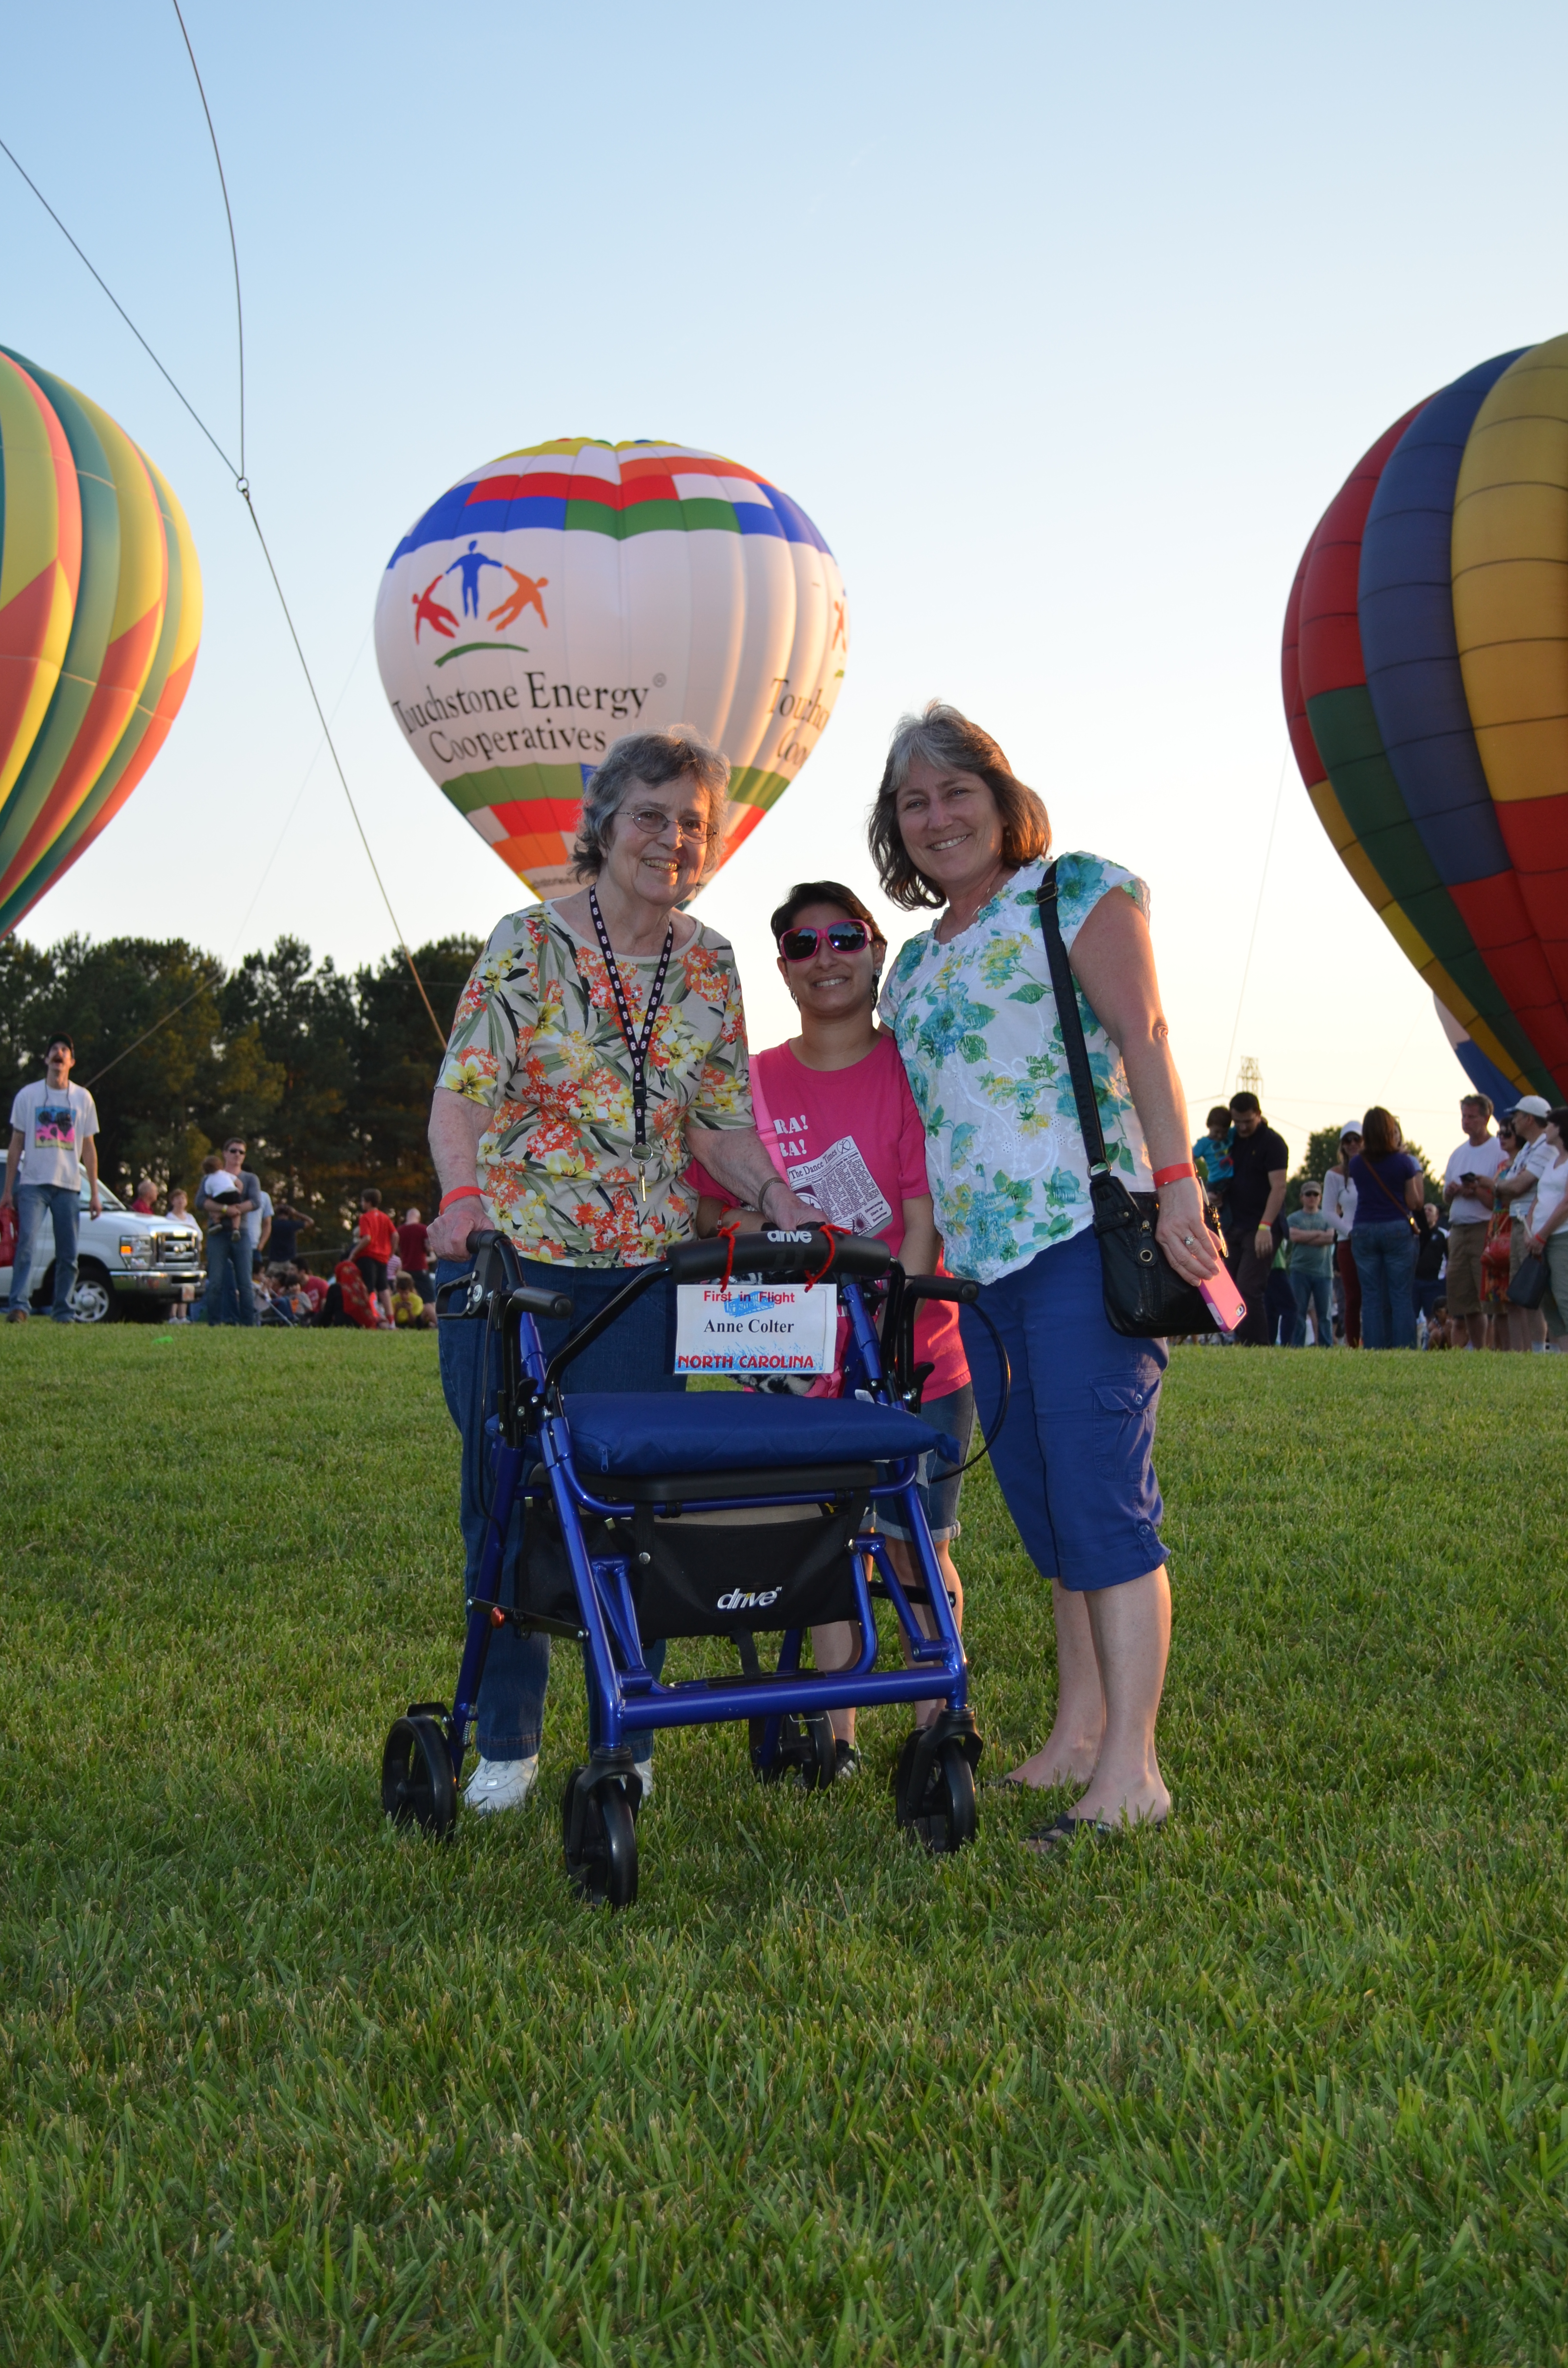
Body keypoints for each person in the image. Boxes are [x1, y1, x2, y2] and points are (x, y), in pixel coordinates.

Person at [424, 725, 818, 1817]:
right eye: (652, 816)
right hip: (516, 1271)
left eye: (694, 822)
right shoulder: (526, 943)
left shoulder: (711, 962)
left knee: (630, 1505)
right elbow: (461, 1095)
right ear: (602, 827)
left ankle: (624, 1731)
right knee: (506, 1500)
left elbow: (720, 1128)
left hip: (644, 1281)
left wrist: (777, 1194)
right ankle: (505, 1740)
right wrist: (462, 1199)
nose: (674, 839)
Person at [872, 702, 1221, 1845]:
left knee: (1105, 1504)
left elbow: (1146, 1036)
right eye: (912, 803)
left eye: (954, 791)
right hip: (981, 1270)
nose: (936, 817)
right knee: (1049, 1511)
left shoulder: (1074, 889)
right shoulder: (914, 968)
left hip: (1081, 1234)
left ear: (1000, 798)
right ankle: (1076, 1735)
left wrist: (1177, 1181)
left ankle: (1134, 1769)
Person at [686, 878, 972, 1774]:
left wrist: (901, 1321)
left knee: (915, 1543)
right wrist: (759, 1228)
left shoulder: (909, 1070)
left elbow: (921, 1219)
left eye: (844, 938)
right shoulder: (755, 1081)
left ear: (876, 949)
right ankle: (833, 1729)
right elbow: (705, 1216)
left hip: (914, 1353)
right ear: (781, 967)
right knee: (818, 1544)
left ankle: (937, 1719)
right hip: (787, 1356)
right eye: (802, 946)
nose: (825, 959)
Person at [2, 1031, 101, 1323]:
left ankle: (63, 1310)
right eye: (54, 1050)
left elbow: (89, 1148)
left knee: (68, 1254)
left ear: (71, 1061)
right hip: (32, 1185)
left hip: (69, 1187)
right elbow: (16, 1144)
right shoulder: (28, 1096)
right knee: (27, 1246)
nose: (59, 1054)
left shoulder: (83, 1098)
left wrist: (94, 1193)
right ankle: (19, 1306)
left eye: (65, 1050)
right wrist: (8, 1190)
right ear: (47, 1059)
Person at [1348, 1106, 1423, 1349]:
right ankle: (1404, 1349)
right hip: (1396, 1228)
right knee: (1400, 1295)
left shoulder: (1357, 1164)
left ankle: (1374, 1349)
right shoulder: (1404, 1162)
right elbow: (1414, 1202)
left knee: (1371, 1296)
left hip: (1364, 1228)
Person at [1222, 1093, 1289, 1346]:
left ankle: (1258, 1346)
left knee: (1249, 1288)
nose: (1241, 1127)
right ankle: (1239, 1340)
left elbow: (1279, 1188)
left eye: (1247, 1122)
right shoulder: (1231, 1141)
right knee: (1229, 1289)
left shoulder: (1273, 1144)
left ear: (1259, 1115)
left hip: (1261, 1226)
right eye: (1236, 1122)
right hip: (1233, 1224)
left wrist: (1266, 1227)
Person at [1440, 1094, 1505, 1349]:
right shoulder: (1458, 1154)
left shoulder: (1497, 1150)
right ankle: (1478, 1350)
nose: (1466, 1122)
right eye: (1463, 1116)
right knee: (1462, 1296)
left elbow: (1499, 1199)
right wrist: (1454, 1191)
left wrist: (1476, 1190)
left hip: (1484, 1228)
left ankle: (1491, 1350)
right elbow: (1445, 1196)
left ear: (1486, 1118)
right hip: (1458, 1229)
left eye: (1471, 1116)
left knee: (1486, 1296)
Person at [1494, 1095, 1555, 1352]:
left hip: (1534, 1225)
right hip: (1519, 1222)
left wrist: (1496, 1186)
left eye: (1517, 1116)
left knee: (1534, 1291)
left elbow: (1519, 1185)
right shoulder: (1528, 1150)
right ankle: (1525, 1352)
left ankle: (1538, 1350)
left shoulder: (1545, 1148)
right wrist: (1504, 1189)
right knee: (1519, 1293)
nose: (1513, 1122)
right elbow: (1512, 1188)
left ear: (1529, 1119)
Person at [194, 1140, 262, 1325]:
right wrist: (225, 1209)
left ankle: (248, 1325)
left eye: (242, 1152)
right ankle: (215, 1323)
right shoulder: (210, 1175)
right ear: (225, 1153)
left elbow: (256, 1201)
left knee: (245, 1283)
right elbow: (200, 1201)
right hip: (217, 1234)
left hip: (241, 1233)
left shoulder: (249, 1179)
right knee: (215, 1282)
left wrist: (237, 1210)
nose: (238, 1155)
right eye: (233, 1151)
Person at [1525, 1108, 1568, 1345]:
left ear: (1561, 1128)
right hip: (1541, 1240)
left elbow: (1565, 1204)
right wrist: (1530, 1228)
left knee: (1565, 1296)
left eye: (1550, 1125)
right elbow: (1538, 1199)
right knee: (1548, 1301)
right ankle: (1563, 1359)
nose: (1546, 1130)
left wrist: (1541, 1235)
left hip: (1562, 1238)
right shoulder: (1553, 1162)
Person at [1322, 1124, 1361, 1347]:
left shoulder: (1374, 1169)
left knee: (1377, 1296)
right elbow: (1328, 1211)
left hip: (1372, 1238)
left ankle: (1379, 1343)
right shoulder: (1335, 1175)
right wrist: (1350, 1231)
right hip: (1349, 1241)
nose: (1353, 1144)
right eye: (1348, 1140)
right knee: (1352, 1297)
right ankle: (1354, 1344)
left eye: (1357, 1139)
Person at [1286, 1181, 1335, 1346]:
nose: (1312, 1198)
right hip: (1299, 1271)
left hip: (1324, 1272)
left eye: (1315, 1194)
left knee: (1325, 1315)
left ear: (1320, 1197)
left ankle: (1326, 1347)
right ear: (1302, 1197)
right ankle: (1297, 1346)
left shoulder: (1328, 1217)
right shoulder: (1293, 1218)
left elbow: (1330, 1238)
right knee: (1299, 1313)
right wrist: (1319, 1235)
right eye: (1308, 1194)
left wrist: (1306, 1236)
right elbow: (1293, 1236)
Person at [352, 1189, 396, 1323]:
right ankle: (391, 1321)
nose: (361, 1204)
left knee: (369, 1288)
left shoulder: (365, 1218)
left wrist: (354, 1253)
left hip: (368, 1256)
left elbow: (367, 1238)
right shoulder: (385, 1218)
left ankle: (373, 1316)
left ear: (368, 1202)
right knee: (383, 1288)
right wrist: (391, 1252)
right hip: (383, 1257)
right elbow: (395, 1235)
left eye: (362, 1201)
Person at [1192, 1107, 1234, 1222]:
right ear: (1208, 1125)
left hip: (1231, 1179)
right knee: (1217, 1207)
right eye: (1217, 1132)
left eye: (1224, 1132)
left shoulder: (1231, 1134)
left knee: (1231, 1208)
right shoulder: (1204, 1143)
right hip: (1216, 1182)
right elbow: (1190, 1158)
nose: (1220, 1136)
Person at [1411, 1202, 1447, 1332]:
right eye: (1424, 1210)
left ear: (1437, 1216)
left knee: (1433, 1319)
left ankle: (1432, 1343)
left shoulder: (1443, 1235)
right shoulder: (1414, 1234)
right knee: (1410, 1317)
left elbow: (1450, 1258)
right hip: (1414, 1282)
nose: (1426, 1212)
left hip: (1434, 1283)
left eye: (1430, 1210)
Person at [397, 1205, 433, 1303]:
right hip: (420, 1268)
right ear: (418, 1217)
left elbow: (397, 1248)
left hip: (405, 1269)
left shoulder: (400, 1231)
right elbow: (429, 1247)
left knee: (410, 1297)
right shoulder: (423, 1229)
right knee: (429, 1299)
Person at [267, 1198, 311, 1270]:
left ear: (278, 1213)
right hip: (290, 1261)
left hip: (275, 1262)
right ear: (288, 1214)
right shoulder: (292, 1225)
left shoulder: (273, 1225)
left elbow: (262, 1223)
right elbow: (310, 1222)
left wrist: (273, 1210)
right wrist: (295, 1213)